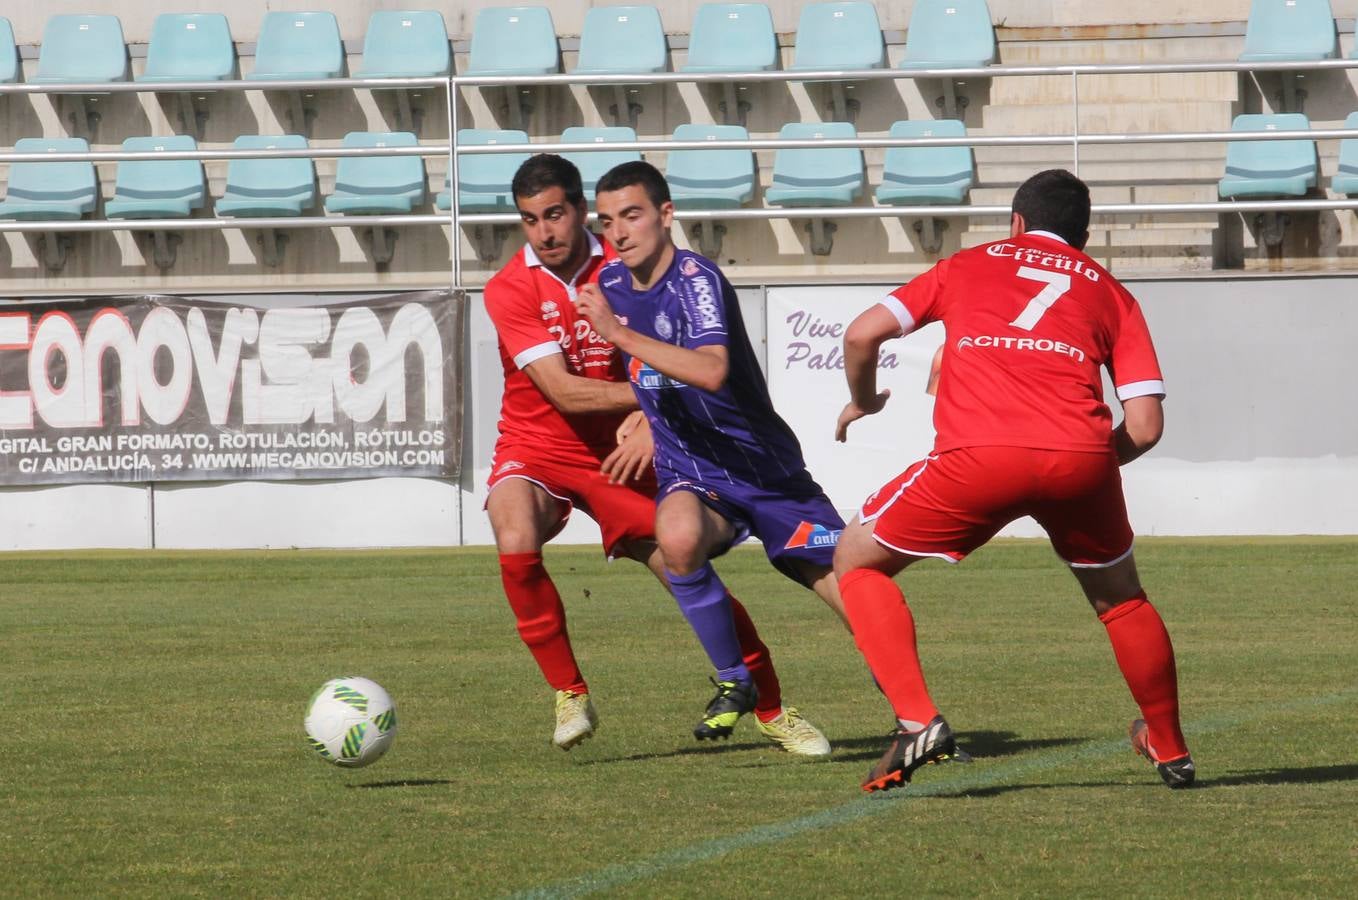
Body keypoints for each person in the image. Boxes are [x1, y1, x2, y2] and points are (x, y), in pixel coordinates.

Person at [833, 168, 1194, 792]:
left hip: (979, 456)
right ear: (1084, 237)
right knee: (1124, 600)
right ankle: (1171, 749)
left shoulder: (965, 265)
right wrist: (1082, 464)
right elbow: (1146, 425)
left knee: (856, 562)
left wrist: (864, 399)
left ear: (1017, 224)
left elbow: (862, 333)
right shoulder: (1113, 294)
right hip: (1081, 457)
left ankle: (917, 718)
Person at [483, 153, 829, 756]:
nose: (545, 231)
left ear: (581, 211)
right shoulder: (509, 288)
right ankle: (568, 691)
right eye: (530, 220)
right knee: (513, 530)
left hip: (629, 451)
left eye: (556, 214)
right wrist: (645, 396)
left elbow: (673, 353)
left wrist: (648, 415)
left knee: (682, 563)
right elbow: (563, 391)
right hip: (538, 445)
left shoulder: (624, 261)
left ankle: (770, 706)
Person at [575, 160, 850, 744]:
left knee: (853, 590)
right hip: (695, 472)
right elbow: (652, 367)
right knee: (674, 537)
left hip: (766, 473)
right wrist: (646, 416)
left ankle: (914, 708)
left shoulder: (697, 281)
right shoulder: (614, 283)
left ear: (666, 215)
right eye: (607, 222)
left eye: (632, 215)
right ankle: (735, 680)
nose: (619, 232)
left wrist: (619, 336)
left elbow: (711, 368)